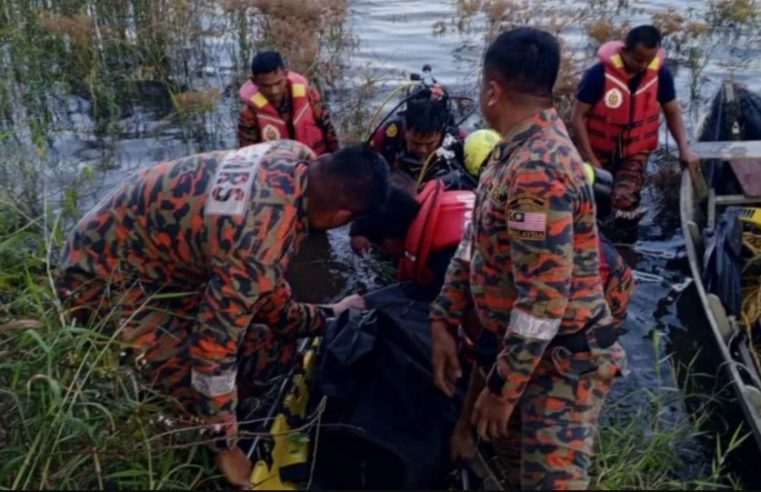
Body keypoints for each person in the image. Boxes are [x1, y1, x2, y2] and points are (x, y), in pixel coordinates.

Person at [54, 140, 389, 488]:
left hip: (152, 254)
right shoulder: (258, 242)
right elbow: (213, 348)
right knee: (187, 377)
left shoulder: (294, 155)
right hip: (99, 276)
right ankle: (186, 447)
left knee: (264, 341)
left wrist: (328, 314)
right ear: (341, 217)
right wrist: (224, 443)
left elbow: (267, 294)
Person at [429, 27, 627, 490]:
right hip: (519, 357)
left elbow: (542, 302)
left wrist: (502, 390)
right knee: (513, 471)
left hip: (563, 367)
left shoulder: (540, 170)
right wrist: (443, 315)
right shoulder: (507, 152)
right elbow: (474, 245)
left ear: (492, 90)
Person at [571, 25, 700, 221]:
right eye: (639, 59)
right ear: (625, 50)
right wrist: (590, 159)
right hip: (597, 150)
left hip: (635, 151)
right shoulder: (598, 75)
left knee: (625, 202)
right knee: (592, 201)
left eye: (649, 60)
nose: (643, 65)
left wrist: (684, 148)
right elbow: (577, 116)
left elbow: (672, 111)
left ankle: (627, 244)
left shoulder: (659, 74)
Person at [238, 51, 339, 155]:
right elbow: (248, 154)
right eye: (266, 86)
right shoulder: (249, 115)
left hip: (316, 161)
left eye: (278, 83)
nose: (274, 91)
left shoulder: (308, 96)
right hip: (278, 169)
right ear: (254, 82)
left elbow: (329, 131)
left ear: (286, 74)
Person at [370, 87, 472, 190]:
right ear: (406, 129)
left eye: (429, 144)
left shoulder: (459, 142)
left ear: (442, 133)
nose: (422, 149)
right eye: (415, 143)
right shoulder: (389, 136)